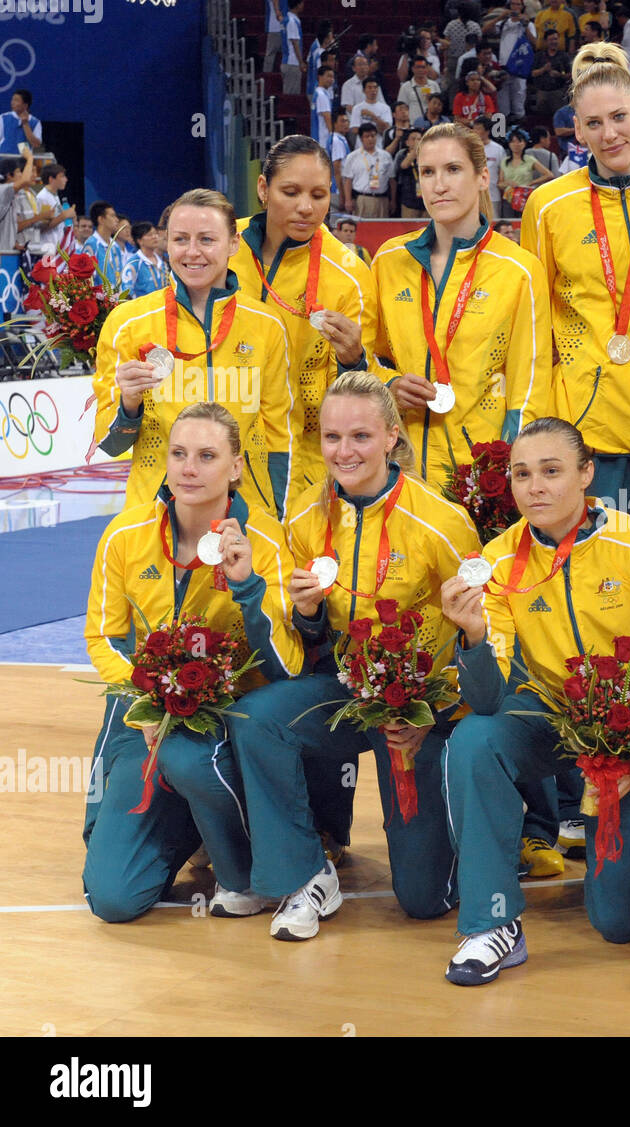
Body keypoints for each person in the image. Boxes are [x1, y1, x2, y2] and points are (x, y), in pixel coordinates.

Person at [439, 417, 630, 983]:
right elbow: (487, 700)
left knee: (617, 923)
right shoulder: (497, 562)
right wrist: (474, 639)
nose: (534, 487)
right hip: (554, 720)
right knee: (473, 740)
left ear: (588, 473)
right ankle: (493, 924)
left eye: (552, 471)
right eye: (521, 474)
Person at [230, 372, 482, 940]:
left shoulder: (442, 523)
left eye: (361, 436)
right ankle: (307, 874)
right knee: (256, 718)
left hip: (419, 712)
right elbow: (304, 647)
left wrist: (436, 713)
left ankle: (476, 831)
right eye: (331, 437)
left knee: (422, 901)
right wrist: (309, 615)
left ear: (393, 437)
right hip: (344, 693)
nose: (343, 452)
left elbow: (486, 634)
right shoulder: (303, 519)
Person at [82, 403, 304, 923]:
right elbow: (104, 637)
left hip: (232, 723)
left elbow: (285, 665)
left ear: (236, 467)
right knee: (112, 899)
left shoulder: (267, 542)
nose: (188, 468)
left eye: (207, 456)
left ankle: (241, 870)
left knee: (190, 761)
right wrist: (152, 695)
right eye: (179, 454)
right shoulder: (125, 535)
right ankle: (187, 825)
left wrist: (248, 587)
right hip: (148, 719)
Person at [521, 42, 630, 563]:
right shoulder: (548, 205)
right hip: (593, 436)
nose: (610, 134)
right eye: (594, 123)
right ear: (576, 129)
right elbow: (536, 323)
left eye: (620, 116)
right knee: (606, 580)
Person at [93, 189, 295, 519]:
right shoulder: (128, 323)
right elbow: (109, 443)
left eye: (206, 239)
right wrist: (128, 405)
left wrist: (280, 519)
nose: (192, 252)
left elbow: (281, 436)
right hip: (154, 517)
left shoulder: (267, 325)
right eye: (180, 239)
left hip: (246, 517)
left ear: (234, 243)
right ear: (165, 242)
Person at [373, 122, 551, 487]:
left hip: (477, 479)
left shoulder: (519, 271)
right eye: (428, 172)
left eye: (453, 169)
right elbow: (367, 356)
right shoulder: (389, 261)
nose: (439, 185)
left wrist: (502, 477)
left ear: (483, 177)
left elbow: (528, 391)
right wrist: (389, 383)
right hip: (394, 471)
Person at [230, 135, 379, 512]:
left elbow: (362, 391)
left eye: (319, 194)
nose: (306, 208)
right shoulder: (223, 248)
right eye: (291, 192)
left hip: (300, 466)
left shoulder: (350, 277)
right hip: (215, 456)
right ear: (263, 188)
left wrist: (353, 361)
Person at [342, 123, 396, 218]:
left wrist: (393, 200)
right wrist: (348, 200)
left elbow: (392, 181)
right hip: (362, 199)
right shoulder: (353, 157)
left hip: (382, 199)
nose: (370, 139)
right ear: (361, 138)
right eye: (367, 136)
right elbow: (348, 181)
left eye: (373, 136)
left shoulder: (385, 156)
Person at [500, 126, 555, 218]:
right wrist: (507, 183)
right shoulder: (504, 161)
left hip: (524, 198)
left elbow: (549, 175)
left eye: (519, 141)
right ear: (509, 144)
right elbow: (500, 183)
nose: (516, 144)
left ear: (524, 143)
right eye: (513, 141)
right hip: (508, 198)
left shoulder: (529, 160)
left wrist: (532, 183)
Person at [533, 28, 574, 121]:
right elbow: (533, 73)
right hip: (542, 92)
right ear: (546, 41)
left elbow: (570, 75)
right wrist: (543, 69)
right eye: (551, 39)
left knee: (560, 118)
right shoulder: (539, 56)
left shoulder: (564, 56)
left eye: (555, 39)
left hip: (558, 92)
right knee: (542, 118)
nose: (554, 42)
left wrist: (559, 75)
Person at [86, 200, 129, 288]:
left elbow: (120, 275)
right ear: (101, 219)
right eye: (112, 216)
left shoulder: (115, 246)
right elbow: (87, 279)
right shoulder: (91, 245)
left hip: (117, 299)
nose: (117, 220)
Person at [125, 223, 169, 298]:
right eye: (150, 235)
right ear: (139, 240)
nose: (155, 237)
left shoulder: (162, 262)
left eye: (155, 234)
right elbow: (126, 292)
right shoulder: (133, 263)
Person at [1, 89, 42, 155]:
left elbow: (36, 144)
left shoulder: (35, 122)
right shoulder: (3, 118)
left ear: (25, 105)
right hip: (3, 158)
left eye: (16, 100)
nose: (12, 102)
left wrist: (25, 124)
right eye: (12, 99)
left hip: (23, 160)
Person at [280, 0, 305, 95]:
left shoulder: (287, 19)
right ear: (297, 5)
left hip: (288, 62)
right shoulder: (291, 21)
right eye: (302, 3)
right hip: (292, 63)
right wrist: (301, 62)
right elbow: (295, 43)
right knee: (291, 96)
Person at [312, 65, 335, 144]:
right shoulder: (321, 95)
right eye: (328, 76)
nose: (331, 79)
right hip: (323, 139)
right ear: (320, 77)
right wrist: (332, 135)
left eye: (332, 77)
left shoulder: (320, 92)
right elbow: (326, 116)